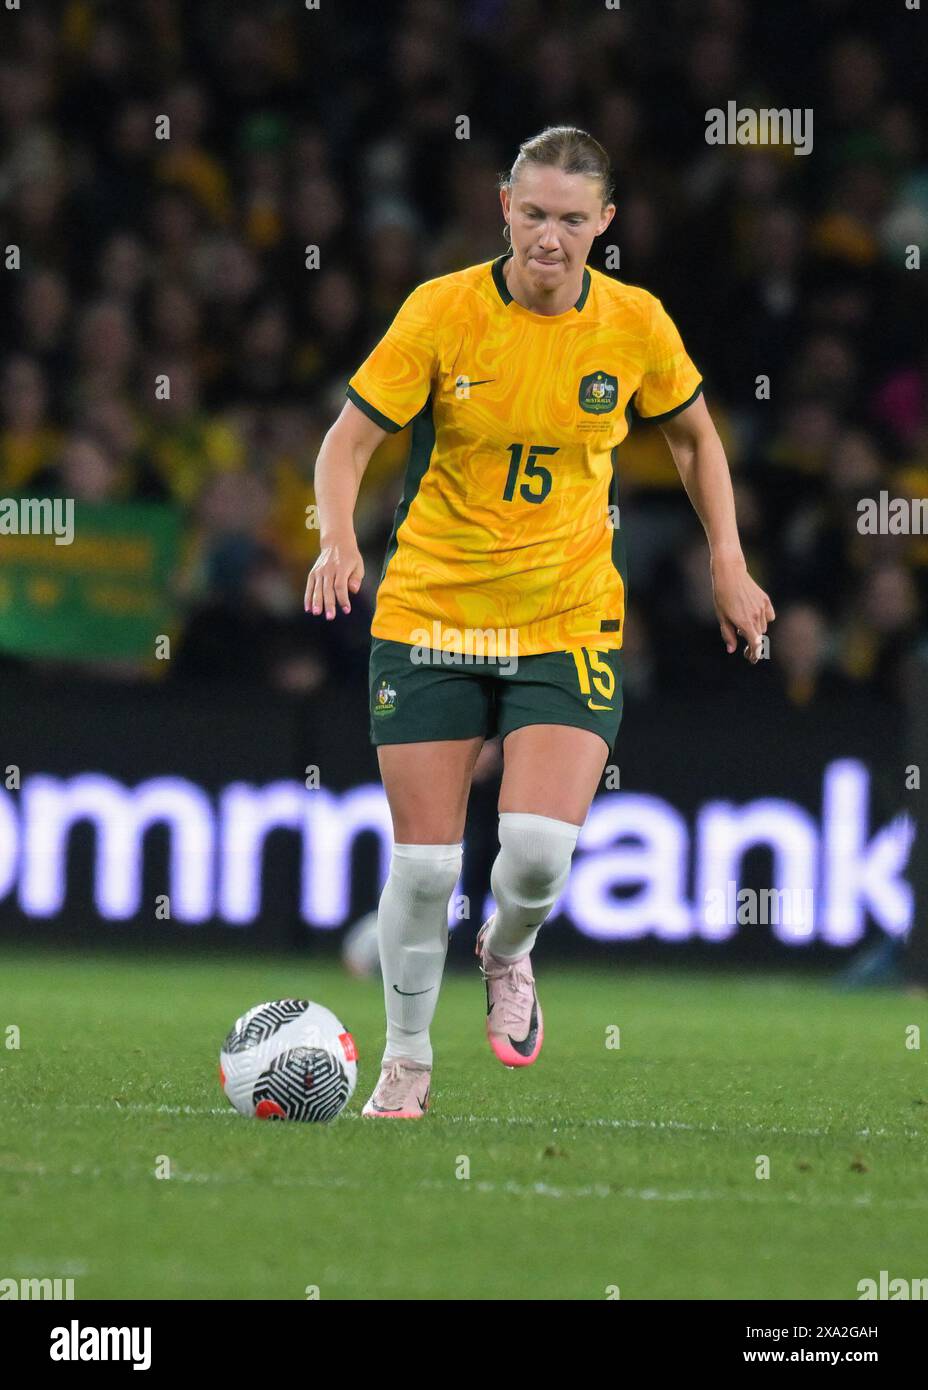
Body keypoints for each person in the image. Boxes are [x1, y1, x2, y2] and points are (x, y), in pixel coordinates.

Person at [305, 126, 774, 1118]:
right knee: (426, 865)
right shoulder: (441, 311)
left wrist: (727, 563)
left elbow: (693, 436)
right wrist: (338, 539)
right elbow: (347, 444)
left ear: (604, 223)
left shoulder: (635, 323)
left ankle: (508, 948)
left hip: (564, 617)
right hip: (433, 607)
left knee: (534, 853)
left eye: (571, 219)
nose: (549, 238)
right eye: (532, 214)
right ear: (502, 208)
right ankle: (405, 1061)